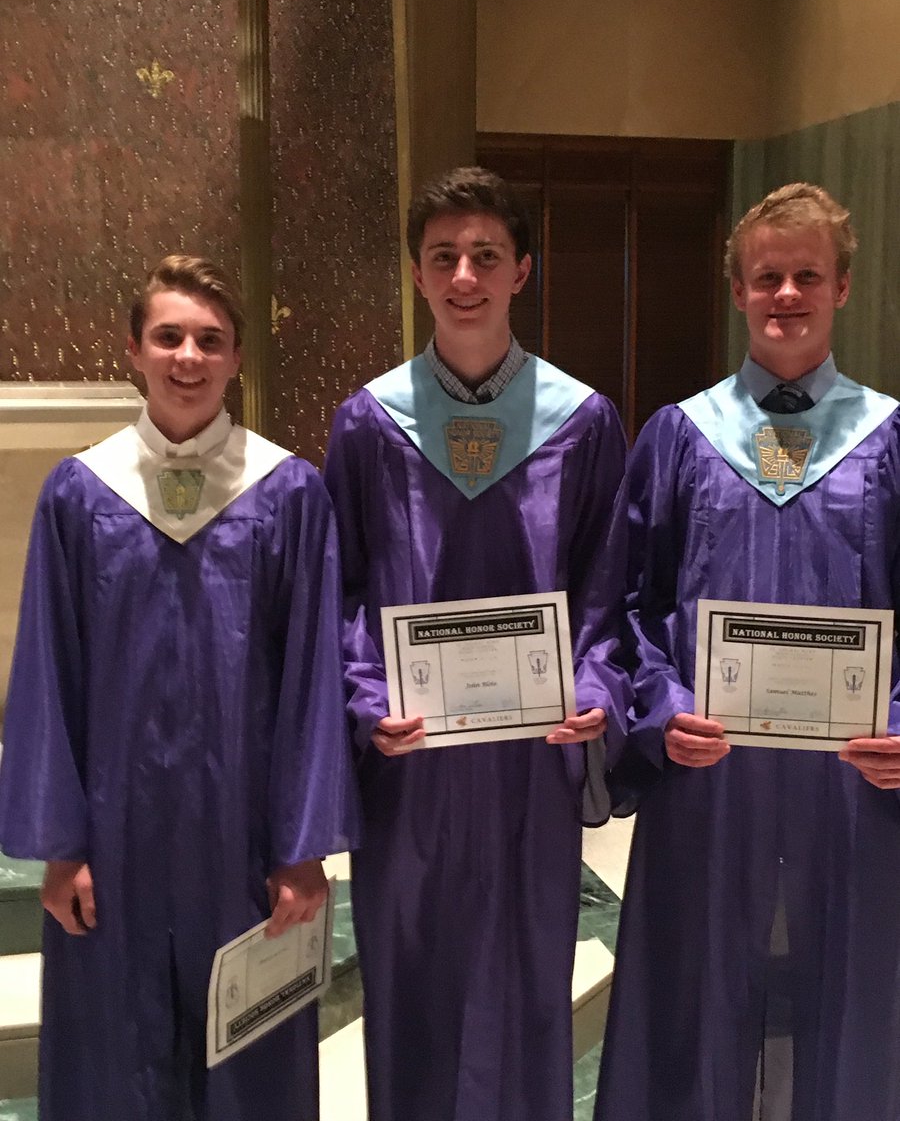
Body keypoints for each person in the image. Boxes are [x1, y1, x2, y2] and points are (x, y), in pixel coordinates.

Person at [0, 255, 360, 1121]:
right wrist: (60, 844)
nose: (187, 358)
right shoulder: (80, 496)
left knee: (250, 1051)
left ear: (238, 359)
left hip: (241, 837)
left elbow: (314, 676)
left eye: (210, 340)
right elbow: (49, 674)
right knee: (115, 1057)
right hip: (114, 839)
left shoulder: (288, 494)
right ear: (134, 350)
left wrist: (302, 849)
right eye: (169, 338)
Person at [324, 166, 630, 1121]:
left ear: (521, 272)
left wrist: (595, 691)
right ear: (417, 275)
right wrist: (367, 703)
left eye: (485, 256)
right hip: (412, 765)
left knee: (526, 974)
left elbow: (609, 592)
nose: (464, 274)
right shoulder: (370, 425)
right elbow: (343, 596)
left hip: (528, 767)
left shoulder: (581, 424)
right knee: (410, 973)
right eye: (443, 256)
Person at [594, 183, 900, 1121]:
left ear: (843, 287)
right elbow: (628, 608)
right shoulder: (680, 438)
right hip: (710, 774)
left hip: (852, 782)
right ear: (738, 291)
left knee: (850, 991)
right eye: (767, 276)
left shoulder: (890, 438)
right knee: (697, 985)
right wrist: (659, 708)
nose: (786, 294)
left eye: (808, 275)